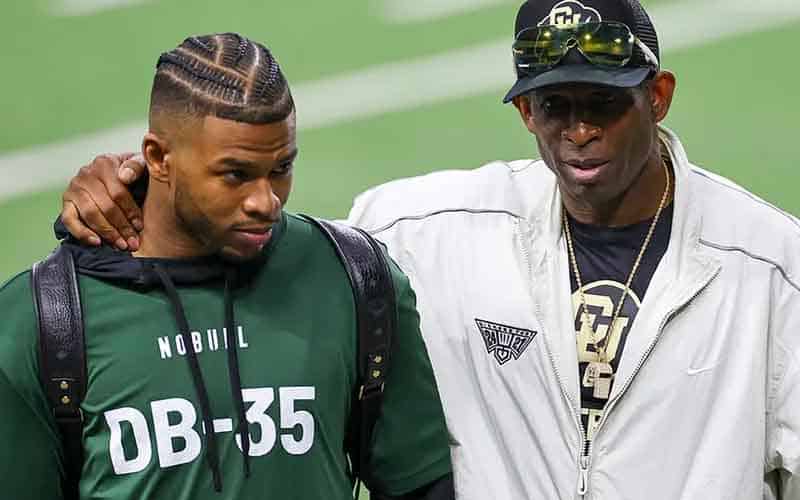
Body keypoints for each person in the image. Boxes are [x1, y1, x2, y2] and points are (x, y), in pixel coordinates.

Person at [57, 0, 800, 498]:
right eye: (553, 106)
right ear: (522, 112)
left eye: (605, 104)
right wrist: (131, 190)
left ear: (659, 96)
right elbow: (244, 223)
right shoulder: (424, 231)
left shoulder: (771, 267)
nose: (578, 131)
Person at [0, 33, 454, 500]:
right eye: (235, 174)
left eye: (281, 168)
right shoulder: (34, 327)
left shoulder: (355, 278)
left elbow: (422, 486)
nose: (265, 201)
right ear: (157, 158)